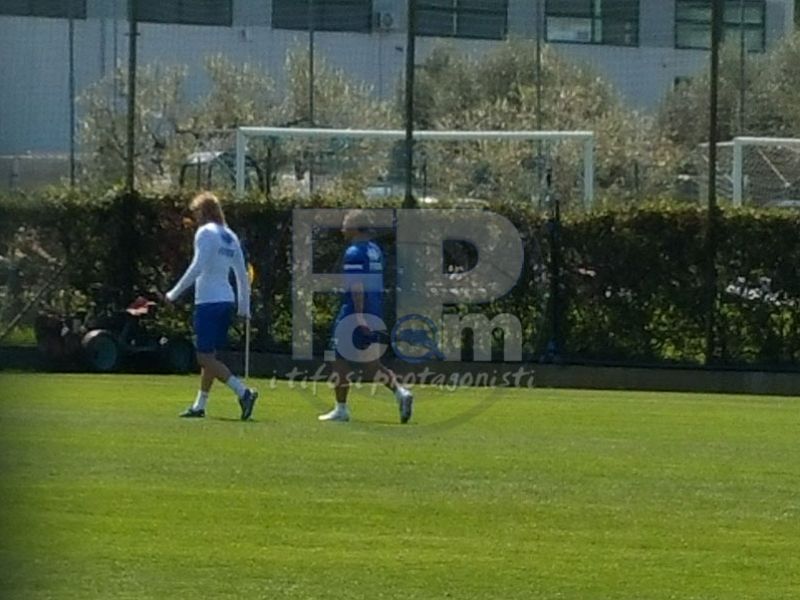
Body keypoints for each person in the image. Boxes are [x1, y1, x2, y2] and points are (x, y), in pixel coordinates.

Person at [165, 192, 258, 420]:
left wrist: (173, 293)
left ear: (203, 212)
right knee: (210, 356)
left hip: (208, 301)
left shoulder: (205, 233)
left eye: (196, 212)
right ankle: (200, 405)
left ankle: (243, 392)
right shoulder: (230, 236)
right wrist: (244, 307)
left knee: (203, 358)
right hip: (226, 300)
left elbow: (198, 267)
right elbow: (242, 275)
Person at [318, 209, 414, 424]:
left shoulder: (354, 252)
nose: (342, 227)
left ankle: (341, 409)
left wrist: (358, 316)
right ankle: (401, 392)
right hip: (375, 309)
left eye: (346, 223)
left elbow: (357, 284)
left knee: (338, 359)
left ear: (354, 227)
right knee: (371, 363)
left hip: (354, 312)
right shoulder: (375, 250)